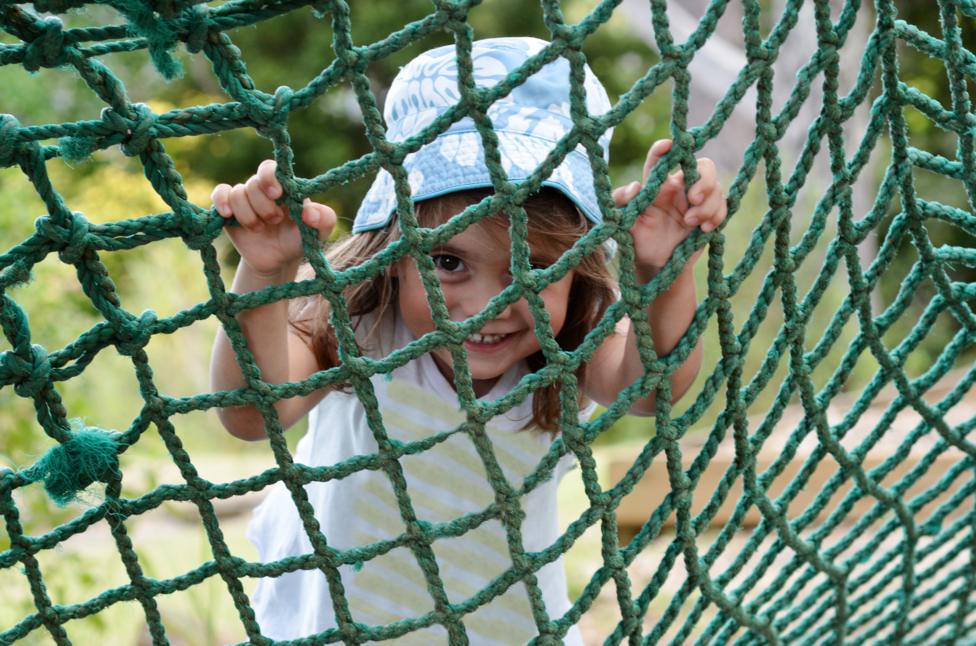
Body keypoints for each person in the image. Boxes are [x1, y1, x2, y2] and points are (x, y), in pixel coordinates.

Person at [209, 37, 726, 644]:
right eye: (449, 261)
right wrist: (267, 275)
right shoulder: (365, 326)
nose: (489, 307)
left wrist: (663, 273)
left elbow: (651, 388)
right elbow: (252, 413)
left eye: (531, 269)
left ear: (577, 264)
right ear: (396, 251)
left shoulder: (568, 349)